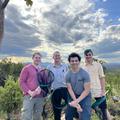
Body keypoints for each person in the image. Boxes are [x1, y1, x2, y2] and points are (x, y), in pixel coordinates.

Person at [83, 49, 111, 120]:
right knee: (88, 112)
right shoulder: (83, 67)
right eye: (86, 55)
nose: (88, 56)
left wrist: (103, 90)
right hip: (87, 93)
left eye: (89, 55)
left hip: (98, 91)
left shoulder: (98, 65)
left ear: (92, 55)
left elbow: (102, 78)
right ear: (84, 56)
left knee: (103, 109)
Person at [65, 52, 91, 120]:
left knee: (85, 117)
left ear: (79, 61)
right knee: (68, 115)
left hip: (85, 96)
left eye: (76, 61)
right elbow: (70, 89)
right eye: (72, 61)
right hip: (73, 95)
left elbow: (87, 90)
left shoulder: (84, 74)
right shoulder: (67, 74)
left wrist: (76, 102)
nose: (74, 62)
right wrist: (75, 101)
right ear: (69, 62)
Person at [19, 52, 44, 120]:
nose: (37, 59)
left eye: (39, 58)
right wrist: (30, 92)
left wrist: (40, 88)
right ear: (32, 58)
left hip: (40, 97)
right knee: (26, 116)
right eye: (36, 57)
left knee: (37, 116)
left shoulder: (41, 70)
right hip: (29, 96)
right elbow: (21, 82)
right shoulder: (26, 68)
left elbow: (44, 82)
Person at [47, 51, 68, 120]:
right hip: (54, 90)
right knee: (56, 110)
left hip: (65, 89)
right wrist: (48, 90)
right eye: (55, 55)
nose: (57, 57)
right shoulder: (49, 67)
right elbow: (48, 79)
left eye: (58, 55)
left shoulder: (65, 66)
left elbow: (68, 77)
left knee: (71, 106)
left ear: (60, 57)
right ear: (53, 57)